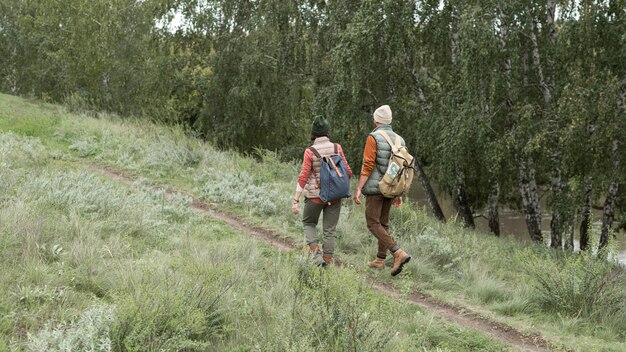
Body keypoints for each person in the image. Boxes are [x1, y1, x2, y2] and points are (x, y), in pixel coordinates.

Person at [353, 105, 411, 276]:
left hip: (376, 187)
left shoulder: (374, 137)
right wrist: (399, 193)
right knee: (383, 223)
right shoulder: (400, 140)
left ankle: (398, 252)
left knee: (372, 223)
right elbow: (400, 167)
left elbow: (368, 164)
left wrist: (359, 187)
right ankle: (380, 260)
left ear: (376, 120)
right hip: (392, 187)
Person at [292, 116, 353, 267]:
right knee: (329, 230)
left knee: (308, 222)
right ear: (327, 132)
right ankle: (327, 262)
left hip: (315, 197)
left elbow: (303, 176)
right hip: (335, 196)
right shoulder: (336, 148)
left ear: (313, 133)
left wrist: (295, 200)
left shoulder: (310, 151)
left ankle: (317, 257)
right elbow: (348, 172)